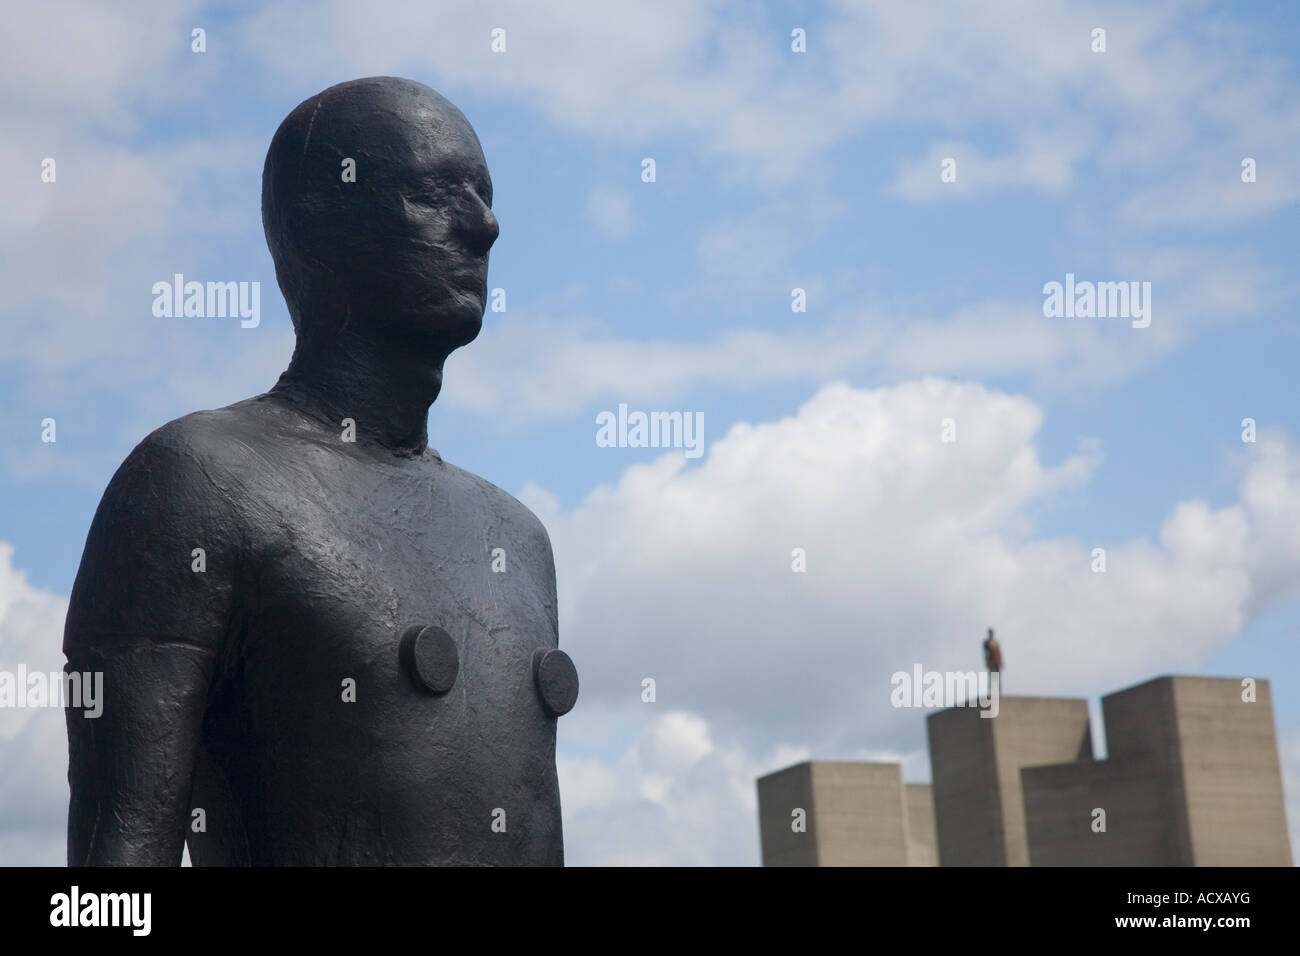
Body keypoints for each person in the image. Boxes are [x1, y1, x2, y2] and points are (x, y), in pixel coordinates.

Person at [63, 77, 576, 866]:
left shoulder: (516, 535)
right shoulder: (195, 481)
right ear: (317, 225)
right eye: (436, 194)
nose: (484, 227)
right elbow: (113, 871)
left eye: (483, 194)